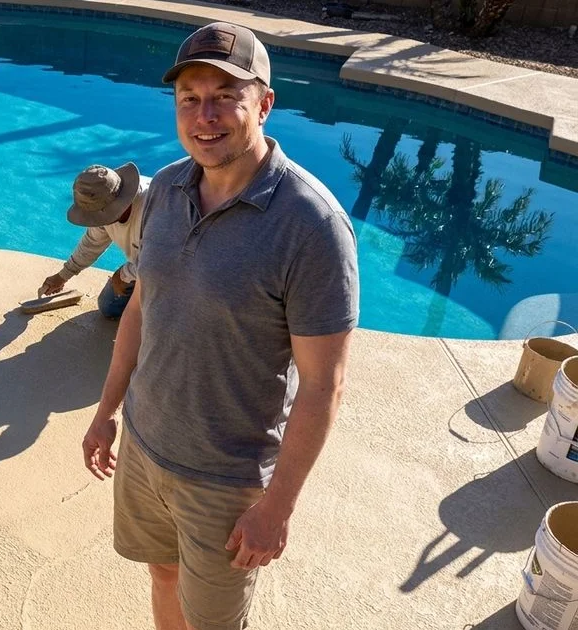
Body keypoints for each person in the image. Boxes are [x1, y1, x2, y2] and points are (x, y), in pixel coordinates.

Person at [80, 22, 359, 630]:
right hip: (145, 446)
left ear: (263, 104)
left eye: (224, 96)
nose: (204, 115)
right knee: (162, 575)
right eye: (189, 99)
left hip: (226, 479)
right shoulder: (166, 189)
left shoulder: (311, 226)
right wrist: (106, 412)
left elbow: (322, 385)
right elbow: (139, 309)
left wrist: (277, 506)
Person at [38, 163, 151, 319]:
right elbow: (91, 243)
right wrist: (63, 275)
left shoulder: (156, 209)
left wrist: (124, 274)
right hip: (146, 263)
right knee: (109, 306)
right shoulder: (103, 199)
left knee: (160, 325)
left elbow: (165, 261)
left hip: (181, 270)